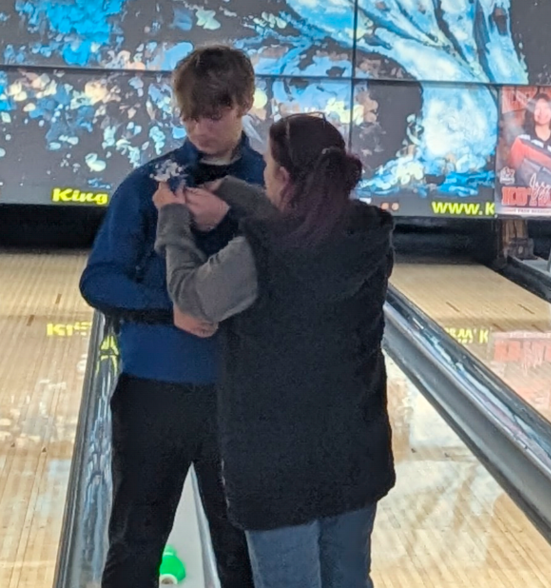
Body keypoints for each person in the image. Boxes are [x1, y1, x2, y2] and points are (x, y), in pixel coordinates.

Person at [153, 113, 396, 588]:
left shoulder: (259, 254)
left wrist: (173, 219)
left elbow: (193, 297)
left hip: (277, 465)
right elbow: (307, 231)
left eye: (265, 166)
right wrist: (238, 196)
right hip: (355, 452)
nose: (260, 174)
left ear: (282, 176)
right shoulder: (371, 233)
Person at [78, 45, 261, 587]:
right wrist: (170, 311)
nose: (200, 128)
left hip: (240, 394)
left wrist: (238, 219)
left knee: (241, 554)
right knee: (134, 546)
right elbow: (99, 280)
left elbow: (299, 277)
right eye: (189, 116)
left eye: (214, 115)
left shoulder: (268, 187)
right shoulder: (149, 185)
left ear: (245, 103)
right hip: (152, 393)